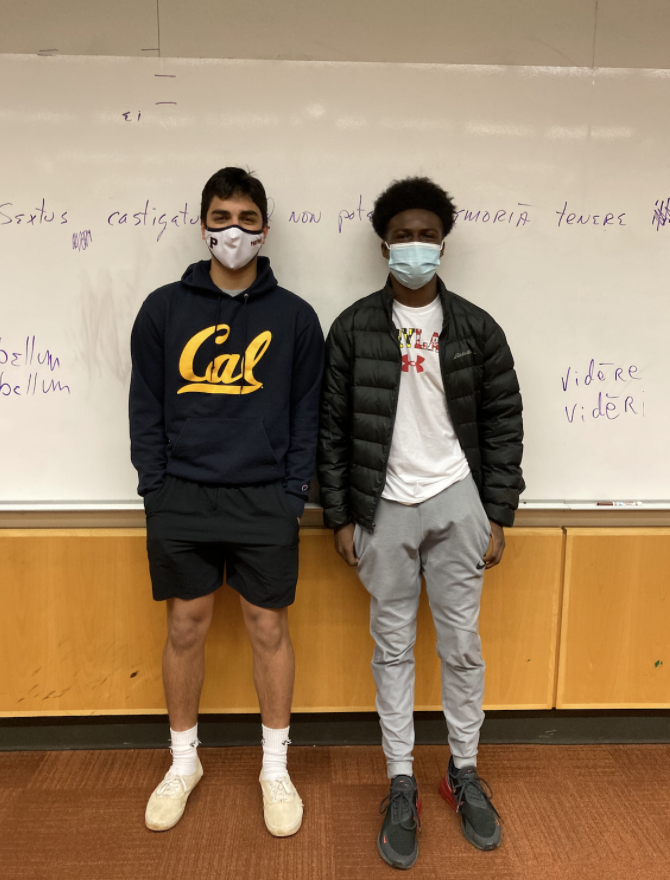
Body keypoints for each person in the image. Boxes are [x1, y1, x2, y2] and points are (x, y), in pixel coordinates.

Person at [318, 176, 524, 868]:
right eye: (403, 234)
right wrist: (341, 516)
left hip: (458, 501)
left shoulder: (477, 328)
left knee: (462, 647)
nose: (415, 245)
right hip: (382, 509)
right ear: (384, 244)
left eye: (427, 234)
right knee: (393, 649)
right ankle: (400, 779)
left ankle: (462, 772)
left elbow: (503, 424)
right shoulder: (351, 328)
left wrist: (497, 511)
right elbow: (332, 431)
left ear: (444, 244)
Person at [130, 166, 324, 837]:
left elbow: (307, 416)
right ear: (204, 224)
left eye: (246, 218)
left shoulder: (296, 318)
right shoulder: (162, 309)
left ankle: (275, 767)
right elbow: (144, 411)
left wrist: (294, 493)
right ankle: (183, 763)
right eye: (221, 217)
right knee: (186, 623)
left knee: (267, 628)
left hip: (265, 499)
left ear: (265, 229)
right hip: (180, 495)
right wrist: (155, 490)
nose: (233, 230)